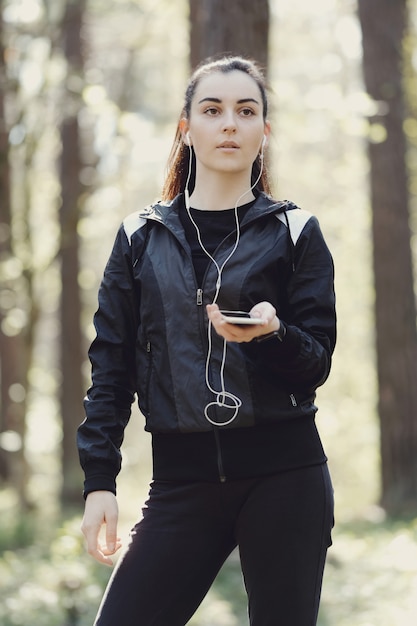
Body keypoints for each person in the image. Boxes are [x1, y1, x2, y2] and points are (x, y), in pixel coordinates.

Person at [77, 55, 336, 626]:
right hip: (180, 481)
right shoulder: (139, 237)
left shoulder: (296, 232)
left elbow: (315, 364)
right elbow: (110, 368)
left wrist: (273, 335)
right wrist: (100, 481)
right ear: (185, 127)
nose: (229, 124)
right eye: (212, 110)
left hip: (285, 476)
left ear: (264, 131)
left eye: (246, 112)